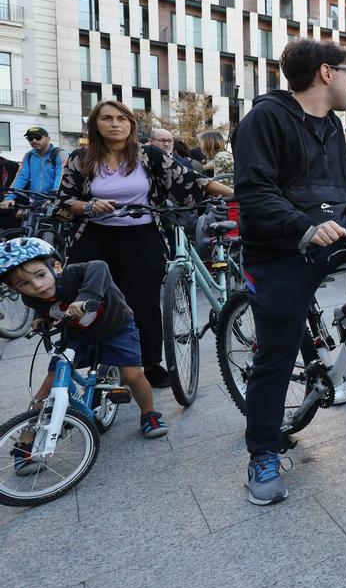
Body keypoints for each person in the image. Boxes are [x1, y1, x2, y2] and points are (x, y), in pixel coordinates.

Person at [233, 38, 346, 505]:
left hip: (333, 234)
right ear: (325, 73)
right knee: (276, 353)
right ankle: (262, 452)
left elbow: (342, 184)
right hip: (280, 248)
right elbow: (255, 193)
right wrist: (305, 224)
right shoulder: (265, 118)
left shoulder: (334, 125)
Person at [58, 100, 232, 389]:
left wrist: (238, 194)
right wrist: (88, 207)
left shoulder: (149, 156)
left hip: (141, 237)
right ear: (96, 125)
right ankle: (95, 364)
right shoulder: (82, 158)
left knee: (145, 305)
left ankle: (150, 364)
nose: (115, 124)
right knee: (91, 303)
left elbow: (192, 181)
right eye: (107, 118)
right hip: (93, 239)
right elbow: (64, 202)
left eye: (122, 119)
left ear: (131, 125)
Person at [0, 238, 167, 452]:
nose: (37, 286)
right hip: (78, 334)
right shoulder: (31, 299)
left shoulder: (72, 275)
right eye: (24, 284)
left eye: (40, 275)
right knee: (51, 379)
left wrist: (86, 297)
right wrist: (43, 319)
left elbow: (99, 266)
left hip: (116, 327)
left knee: (132, 375)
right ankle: (27, 438)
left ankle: (149, 414)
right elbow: (48, 309)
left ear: (56, 267)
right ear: (15, 289)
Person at [1, 127, 68, 213]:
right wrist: (9, 197)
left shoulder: (59, 154)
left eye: (38, 137)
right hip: (34, 201)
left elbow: (61, 176)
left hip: (54, 200)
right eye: (30, 138)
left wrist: (54, 197)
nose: (34, 140)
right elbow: (21, 177)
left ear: (48, 139)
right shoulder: (29, 156)